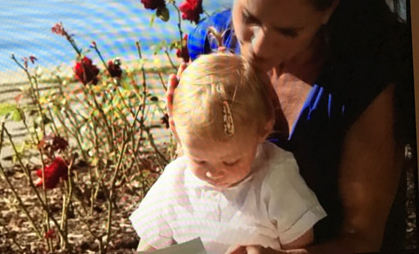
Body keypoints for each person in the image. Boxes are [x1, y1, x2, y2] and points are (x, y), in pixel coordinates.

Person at [166, 0, 413, 253]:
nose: (259, 46)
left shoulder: (363, 82)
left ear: (329, 8)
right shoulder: (213, 43)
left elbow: (365, 239)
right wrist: (183, 129)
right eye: (250, 17)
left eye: (288, 31)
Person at [130, 53, 327, 253]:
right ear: (175, 130)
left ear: (264, 129)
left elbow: (303, 247)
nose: (213, 173)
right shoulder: (175, 181)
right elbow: (148, 247)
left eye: (231, 162)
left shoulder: (276, 178)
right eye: (200, 161)